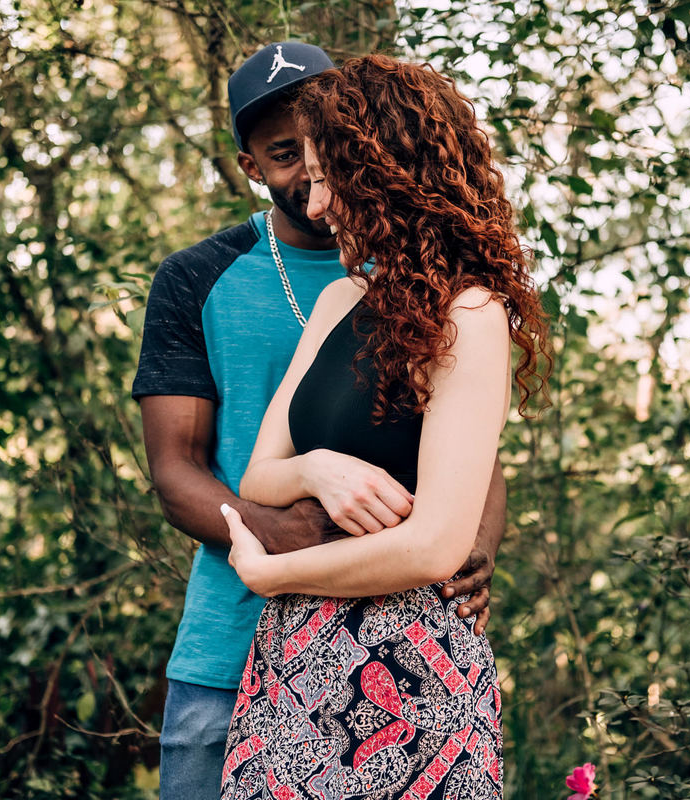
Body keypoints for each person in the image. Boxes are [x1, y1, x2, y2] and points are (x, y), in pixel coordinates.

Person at [131, 42, 507, 800]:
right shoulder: (203, 277)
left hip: (404, 646)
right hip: (244, 638)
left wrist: (470, 548)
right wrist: (296, 517)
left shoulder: (449, 302)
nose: (310, 182)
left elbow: (468, 463)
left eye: (326, 154)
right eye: (284, 154)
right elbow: (177, 470)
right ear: (249, 165)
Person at [218, 55, 550, 799]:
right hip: (293, 664)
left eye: (331, 176)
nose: (318, 202)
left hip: (412, 674)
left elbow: (433, 545)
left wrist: (273, 572)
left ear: (386, 176)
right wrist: (317, 471)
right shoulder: (339, 300)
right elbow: (260, 475)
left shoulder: (469, 316)